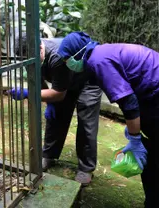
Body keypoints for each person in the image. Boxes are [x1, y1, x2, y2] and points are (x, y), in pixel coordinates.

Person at [57, 31, 159, 208]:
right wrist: (136, 128)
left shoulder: (99, 61)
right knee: (152, 162)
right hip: (157, 104)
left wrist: (134, 138)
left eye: (67, 59)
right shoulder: (102, 53)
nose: (68, 64)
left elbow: (129, 102)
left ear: (77, 53)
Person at [8, 33, 103, 186]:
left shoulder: (57, 56)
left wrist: (28, 94)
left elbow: (58, 94)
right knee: (56, 116)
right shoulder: (28, 56)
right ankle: (49, 155)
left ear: (40, 48)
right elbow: (39, 83)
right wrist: (48, 102)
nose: (28, 62)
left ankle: (86, 168)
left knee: (86, 121)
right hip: (67, 80)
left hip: (88, 79)